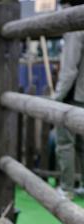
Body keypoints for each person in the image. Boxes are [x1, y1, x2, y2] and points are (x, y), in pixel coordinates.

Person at [54, 0, 84, 199]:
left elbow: (70, 68)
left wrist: (56, 96)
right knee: (82, 143)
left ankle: (67, 188)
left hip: (73, 95)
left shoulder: (74, 22)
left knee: (65, 142)